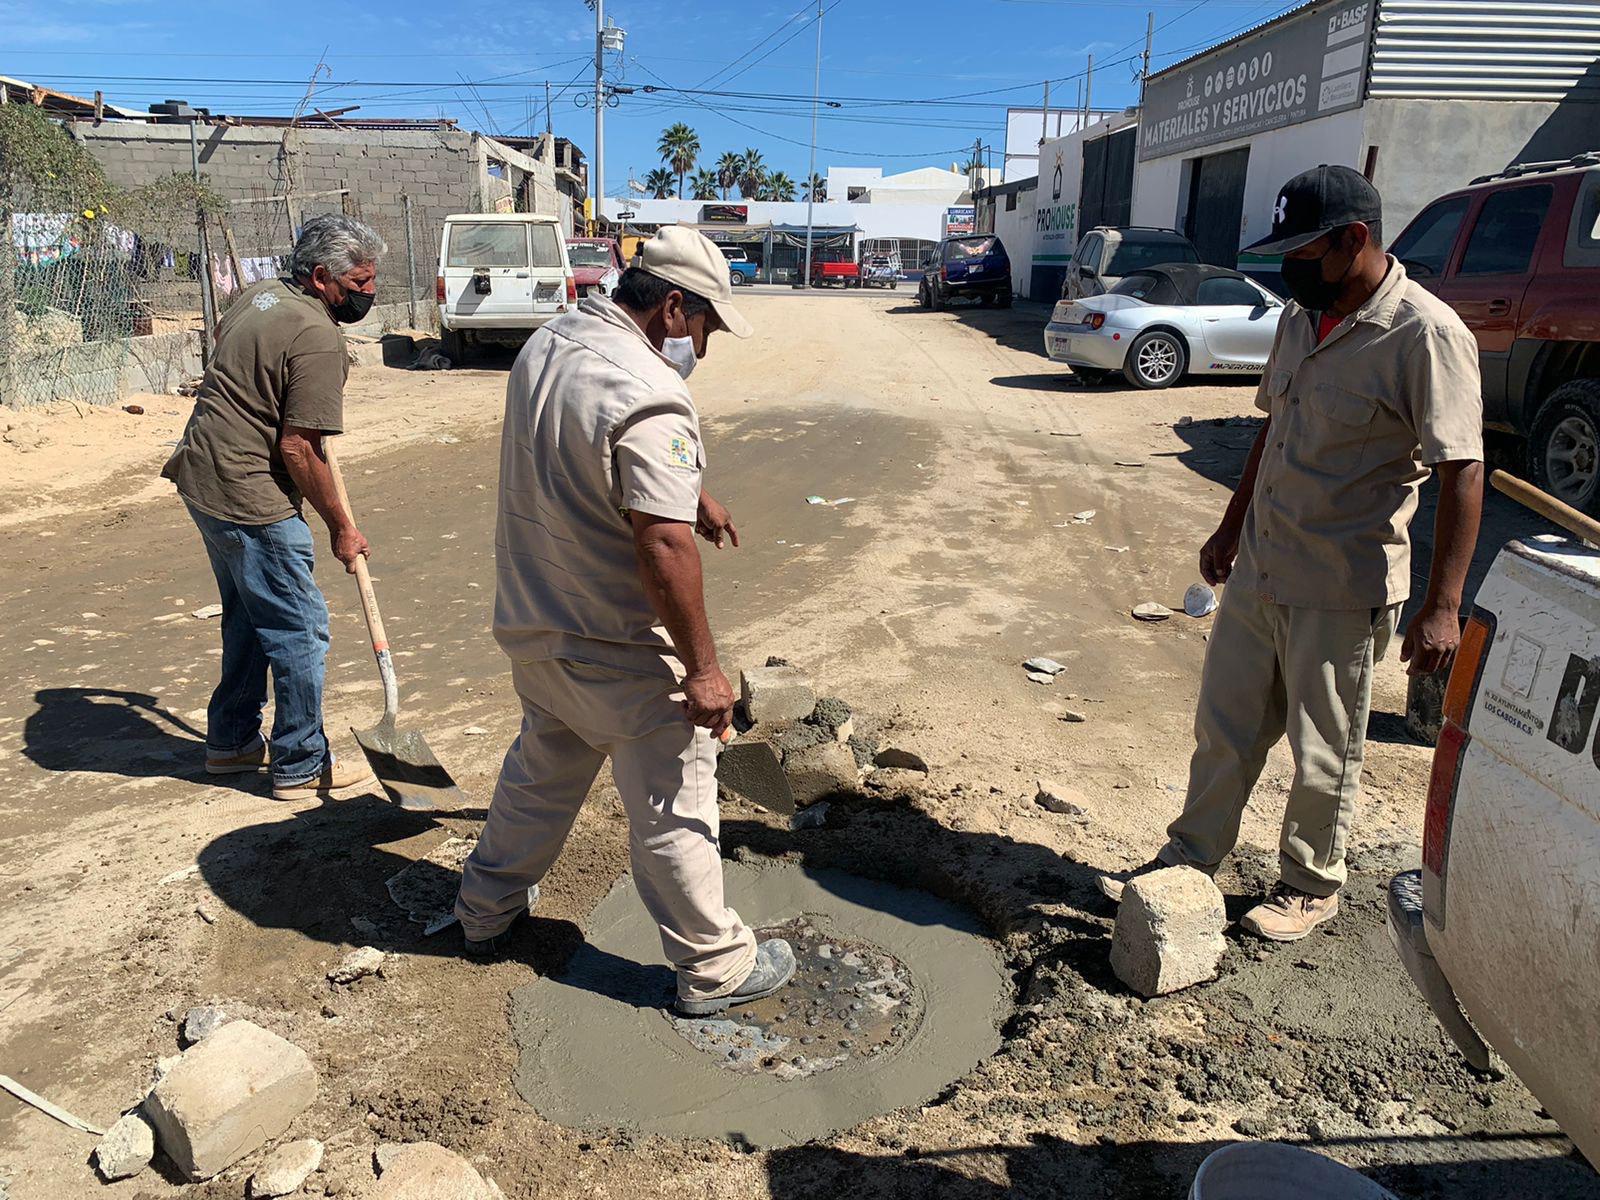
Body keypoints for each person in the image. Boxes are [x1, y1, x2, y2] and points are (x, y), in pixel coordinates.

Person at [1100, 165, 1484, 941]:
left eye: (1304, 251)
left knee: (1324, 748)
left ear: (1354, 241)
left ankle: (1311, 885)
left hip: (1342, 583)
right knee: (1226, 726)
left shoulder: (1426, 333)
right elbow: (1273, 427)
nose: (1289, 268)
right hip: (1264, 565)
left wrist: (1444, 607)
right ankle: (1190, 859)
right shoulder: (1302, 319)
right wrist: (1230, 525)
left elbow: (1463, 468)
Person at [455, 225, 795, 1015]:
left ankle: (483, 912)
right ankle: (716, 968)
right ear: (675, 309)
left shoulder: (550, 341)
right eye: (706, 329)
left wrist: (690, 490)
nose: (704, 352)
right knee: (676, 796)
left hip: (539, 624)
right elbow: (665, 545)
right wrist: (705, 671)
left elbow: (582, 451)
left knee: (540, 775)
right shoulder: (651, 390)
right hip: (615, 644)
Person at [161, 214, 384, 802]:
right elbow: (298, 446)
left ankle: (233, 741)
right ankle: (300, 760)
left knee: (247, 614)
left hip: (201, 475)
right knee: (299, 629)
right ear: (320, 277)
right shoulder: (317, 334)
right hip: (249, 495)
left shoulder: (257, 296)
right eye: (359, 284)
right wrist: (343, 527)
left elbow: (231, 360)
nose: (369, 294)